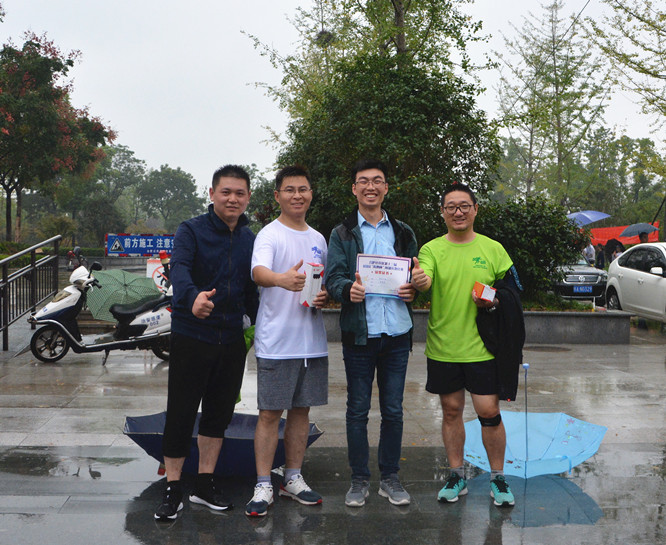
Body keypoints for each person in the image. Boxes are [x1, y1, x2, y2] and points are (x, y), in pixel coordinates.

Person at [155, 165, 259, 521]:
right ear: (212, 193)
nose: (232, 199)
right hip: (192, 334)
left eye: (240, 193)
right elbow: (179, 269)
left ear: (248, 197)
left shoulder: (249, 238)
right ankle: (173, 486)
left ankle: (204, 482)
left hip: (231, 338)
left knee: (218, 414)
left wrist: (258, 322)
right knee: (181, 412)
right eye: (225, 192)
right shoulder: (191, 230)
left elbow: (252, 289)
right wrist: (193, 297)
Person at [411, 182, 521, 508]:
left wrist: (494, 300)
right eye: (451, 207)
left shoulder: (493, 249)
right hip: (443, 346)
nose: (458, 212)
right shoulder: (431, 249)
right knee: (451, 410)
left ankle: (498, 479)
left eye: (464, 206)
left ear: (475, 209)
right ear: (442, 212)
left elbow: (513, 290)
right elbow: (425, 279)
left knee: (489, 412)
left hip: (483, 347)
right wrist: (420, 281)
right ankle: (456, 475)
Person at [326, 159, 418, 507]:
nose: (370, 187)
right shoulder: (342, 233)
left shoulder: (403, 231)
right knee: (357, 410)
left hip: (396, 333)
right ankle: (359, 479)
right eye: (363, 181)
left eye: (377, 181)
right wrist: (346, 289)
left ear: (386, 188)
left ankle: (390, 478)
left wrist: (414, 288)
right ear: (354, 189)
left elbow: (415, 275)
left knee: (393, 410)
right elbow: (333, 278)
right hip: (360, 334)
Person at [245, 165, 329, 517]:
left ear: (311, 194)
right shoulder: (269, 234)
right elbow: (258, 272)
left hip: (312, 341)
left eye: (303, 189)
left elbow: (321, 282)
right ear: (277, 195)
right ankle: (263, 483)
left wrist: (324, 296)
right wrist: (281, 279)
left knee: (301, 411)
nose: (297, 195)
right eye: (290, 189)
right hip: (277, 342)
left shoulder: (319, 238)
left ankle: (293, 477)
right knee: (269, 413)